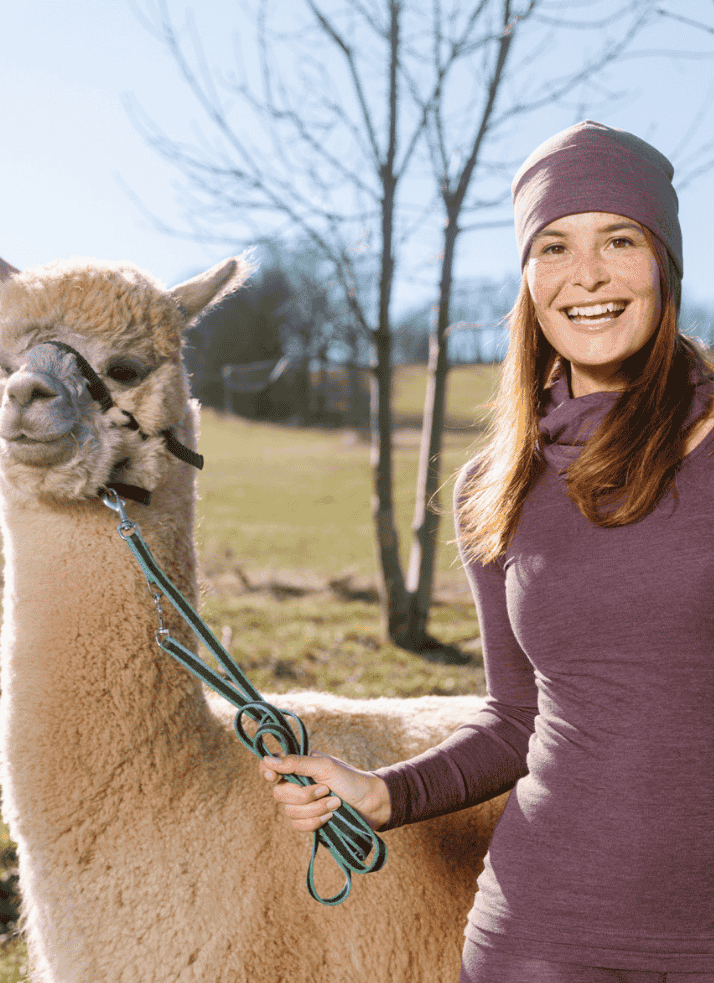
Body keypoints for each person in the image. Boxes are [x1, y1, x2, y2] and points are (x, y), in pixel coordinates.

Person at [260, 120, 714, 982]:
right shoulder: (493, 483)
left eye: (620, 238)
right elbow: (518, 718)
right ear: (528, 279)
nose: (586, 274)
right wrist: (383, 791)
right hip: (539, 938)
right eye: (554, 246)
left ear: (665, 262)